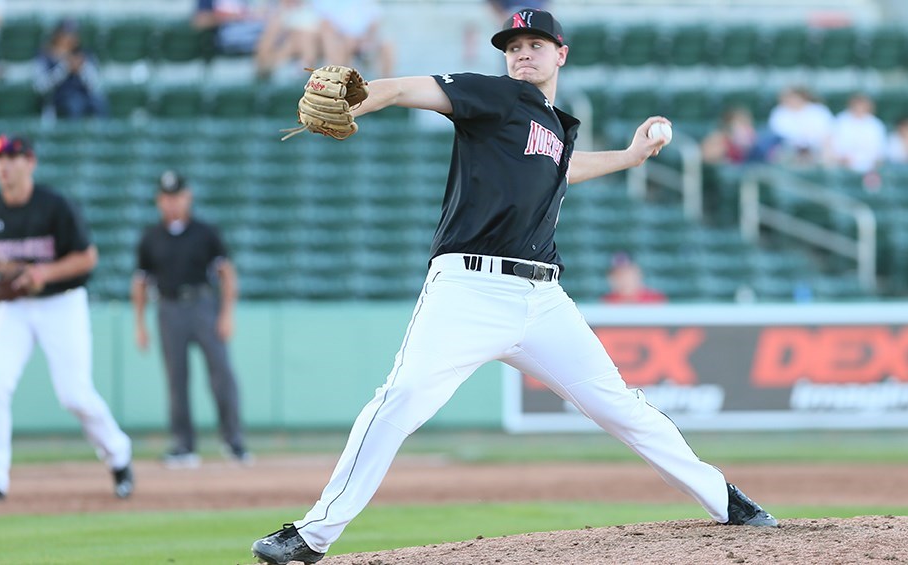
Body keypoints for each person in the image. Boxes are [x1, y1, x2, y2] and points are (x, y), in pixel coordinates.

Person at [250, 9, 777, 565]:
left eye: (535, 44)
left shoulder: (552, 125)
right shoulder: (495, 96)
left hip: (544, 299)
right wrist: (361, 98)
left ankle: (724, 499)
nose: (523, 54)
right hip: (467, 290)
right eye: (513, 46)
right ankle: (312, 535)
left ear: (560, 54)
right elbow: (409, 88)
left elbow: (560, 169)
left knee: (621, 406)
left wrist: (629, 156)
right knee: (400, 400)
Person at [0, 134, 133, 501]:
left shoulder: (54, 206)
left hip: (61, 303)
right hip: (14, 308)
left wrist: (41, 274)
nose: (4, 165)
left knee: (74, 394)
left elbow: (87, 258)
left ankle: (118, 454)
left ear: (30, 162)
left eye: (13, 157)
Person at [131, 170, 250, 469]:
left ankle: (233, 441)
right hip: (168, 309)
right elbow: (141, 283)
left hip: (202, 305)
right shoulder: (151, 237)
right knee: (176, 379)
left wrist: (226, 315)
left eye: (177, 196)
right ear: (160, 200)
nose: (171, 203)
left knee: (222, 374)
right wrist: (140, 324)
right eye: (166, 197)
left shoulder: (205, 232)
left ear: (188, 197)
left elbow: (226, 274)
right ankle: (183, 445)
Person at [32, 18, 109, 120]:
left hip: (84, 95)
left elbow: (97, 85)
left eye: (73, 34)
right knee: (75, 104)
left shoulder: (85, 54)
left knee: (99, 102)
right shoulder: (45, 55)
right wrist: (64, 68)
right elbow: (40, 87)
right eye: (65, 34)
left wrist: (82, 69)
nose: (69, 38)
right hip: (58, 99)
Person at [316, 0, 395, 79]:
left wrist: (366, 38)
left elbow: (374, 22)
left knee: (387, 46)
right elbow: (325, 23)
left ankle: (386, 81)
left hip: (362, 38)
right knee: (345, 42)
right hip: (340, 37)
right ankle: (343, 79)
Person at [764, 86, 833, 165]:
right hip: (789, 151)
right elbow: (777, 137)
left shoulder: (818, 111)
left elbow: (827, 135)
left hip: (816, 150)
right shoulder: (779, 112)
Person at [824, 93, 887, 174]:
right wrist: (840, 158)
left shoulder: (876, 124)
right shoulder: (841, 121)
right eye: (857, 105)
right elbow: (830, 145)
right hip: (842, 168)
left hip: (869, 171)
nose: (859, 108)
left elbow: (880, 152)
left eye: (862, 105)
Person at [601, 252, 667, 304]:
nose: (623, 279)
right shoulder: (606, 302)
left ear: (638, 273)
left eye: (627, 273)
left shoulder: (655, 299)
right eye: (618, 275)